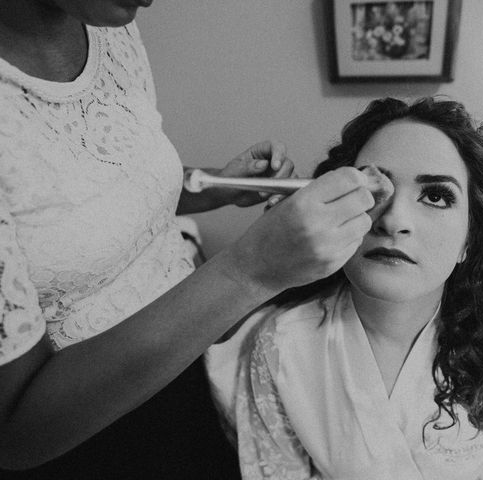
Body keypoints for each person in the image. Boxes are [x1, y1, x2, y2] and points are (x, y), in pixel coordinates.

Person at [0, 1, 376, 479]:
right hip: (84, 442)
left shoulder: (111, 29)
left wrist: (215, 185)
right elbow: (13, 433)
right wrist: (250, 270)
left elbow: (86, 191)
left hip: (191, 363)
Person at [206, 97, 483, 479]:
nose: (394, 220)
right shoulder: (281, 347)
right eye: (372, 190)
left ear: (471, 239)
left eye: (435, 195)